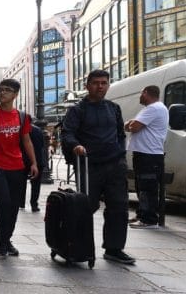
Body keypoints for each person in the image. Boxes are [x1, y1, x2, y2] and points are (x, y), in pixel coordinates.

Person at [61, 69, 135, 265]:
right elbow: (67, 133)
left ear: (108, 85)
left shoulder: (114, 108)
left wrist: (121, 154)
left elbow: (120, 134)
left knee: (119, 207)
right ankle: (77, 246)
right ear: (87, 86)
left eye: (104, 83)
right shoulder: (77, 110)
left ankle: (114, 248)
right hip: (89, 165)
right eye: (95, 83)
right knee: (86, 206)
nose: (100, 86)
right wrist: (75, 146)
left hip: (115, 164)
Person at [0, 79, 39, 257]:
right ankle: (2, 240)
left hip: (17, 166)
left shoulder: (22, 117)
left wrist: (33, 163)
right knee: (3, 202)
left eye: (7, 90)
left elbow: (27, 141)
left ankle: (6, 239)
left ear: (15, 94)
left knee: (13, 206)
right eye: (1, 90)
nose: (2, 93)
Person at [125, 85, 169, 229]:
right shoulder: (152, 109)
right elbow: (129, 125)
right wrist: (131, 124)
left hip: (148, 154)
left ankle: (149, 220)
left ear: (145, 93)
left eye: (140, 93)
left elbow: (134, 127)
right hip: (144, 153)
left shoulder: (154, 108)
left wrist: (131, 123)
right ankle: (142, 214)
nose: (139, 96)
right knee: (141, 185)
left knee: (147, 187)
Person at [26, 122, 47, 212]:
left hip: (25, 159)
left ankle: (21, 202)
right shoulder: (38, 130)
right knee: (36, 184)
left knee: (21, 182)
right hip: (38, 160)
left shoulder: (22, 130)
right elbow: (42, 145)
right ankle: (34, 204)